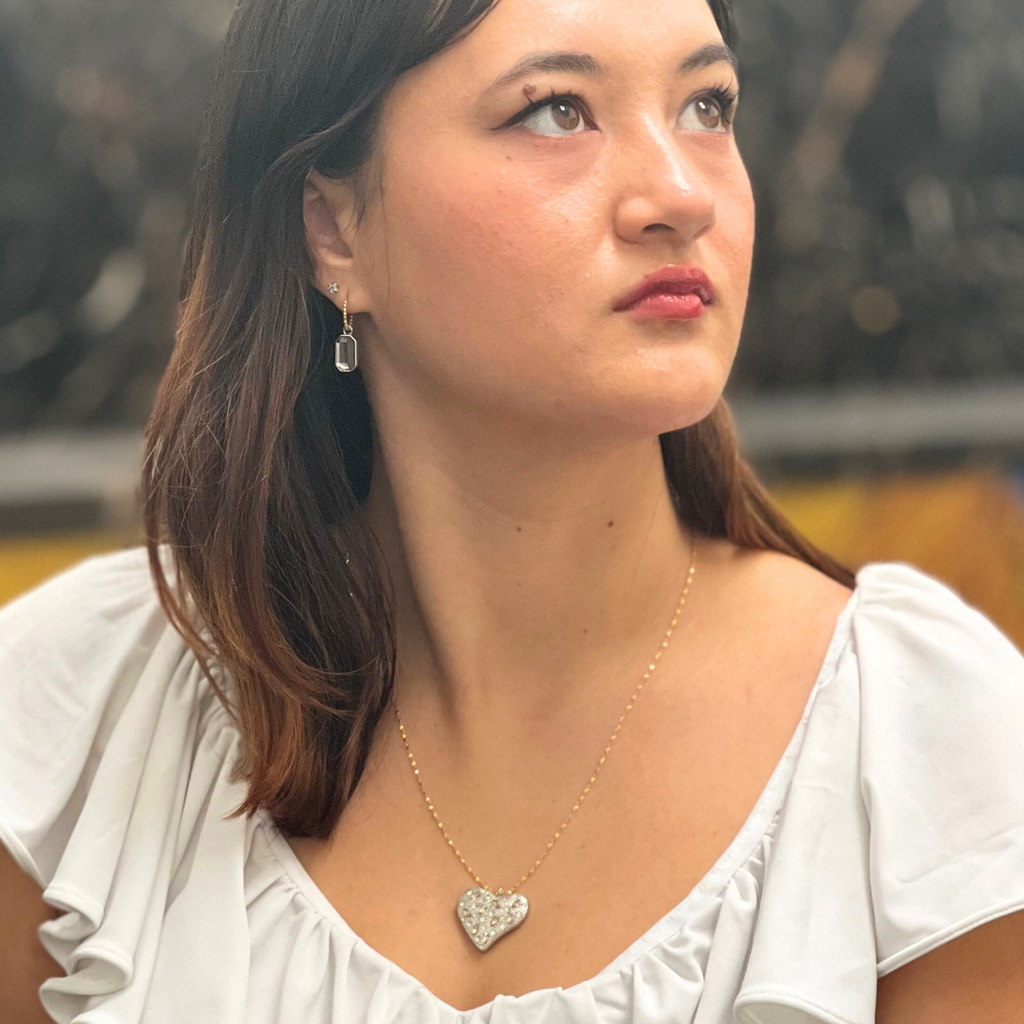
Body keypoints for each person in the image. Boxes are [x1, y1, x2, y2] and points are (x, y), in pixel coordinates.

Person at [2, 0, 1023, 1020]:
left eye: (707, 105)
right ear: (332, 229)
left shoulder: (922, 750)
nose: (679, 195)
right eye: (553, 112)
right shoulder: (84, 717)